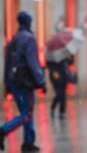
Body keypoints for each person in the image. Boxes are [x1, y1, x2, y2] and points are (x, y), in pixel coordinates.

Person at [0, 11, 46, 152]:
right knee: (27, 113)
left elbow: (7, 62)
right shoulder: (29, 38)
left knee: (26, 112)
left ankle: (28, 142)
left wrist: (7, 82)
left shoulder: (14, 38)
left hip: (14, 81)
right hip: (24, 82)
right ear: (28, 22)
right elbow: (33, 62)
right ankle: (3, 130)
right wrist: (41, 81)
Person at [47, 55, 77, 119]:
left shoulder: (63, 53)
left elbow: (70, 62)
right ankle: (53, 109)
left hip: (63, 76)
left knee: (62, 94)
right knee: (59, 93)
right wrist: (53, 71)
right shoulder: (52, 53)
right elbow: (48, 64)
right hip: (56, 77)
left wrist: (71, 57)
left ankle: (61, 112)